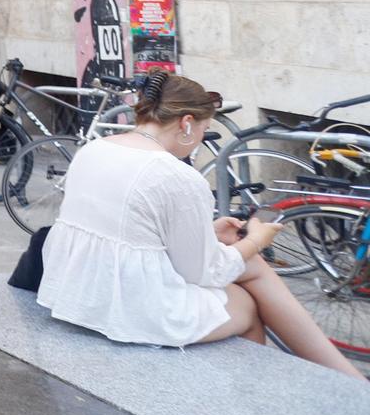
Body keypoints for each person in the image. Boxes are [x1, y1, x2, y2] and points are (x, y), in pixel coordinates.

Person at [39, 72, 367, 381]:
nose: (198, 140)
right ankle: (295, 391)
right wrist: (256, 239)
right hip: (134, 309)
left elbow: (131, 230)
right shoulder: (175, 175)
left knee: (243, 275)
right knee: (247, 300)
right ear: (186, 123)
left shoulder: (94, 149)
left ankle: (337, 379)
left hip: (80, 292)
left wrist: (209, 234)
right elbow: (203, 272)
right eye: (203, 129)